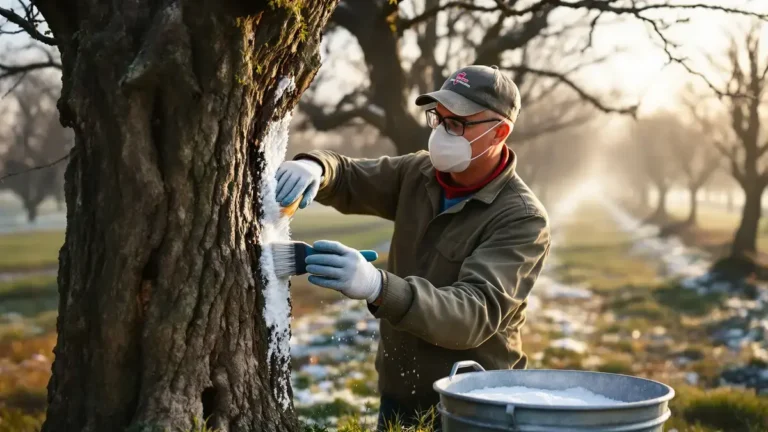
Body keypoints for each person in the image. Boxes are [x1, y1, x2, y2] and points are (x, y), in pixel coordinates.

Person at [274, 65, 551, 430]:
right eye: (438, 118)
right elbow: (351, 176)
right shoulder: (418, 174)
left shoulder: (521, 218)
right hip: (399, 392)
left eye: (458, 123)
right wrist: (315, 167)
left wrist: (378, 287)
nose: (441, 132)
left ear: (499, 131)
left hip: (474, 406)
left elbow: (471, 314)